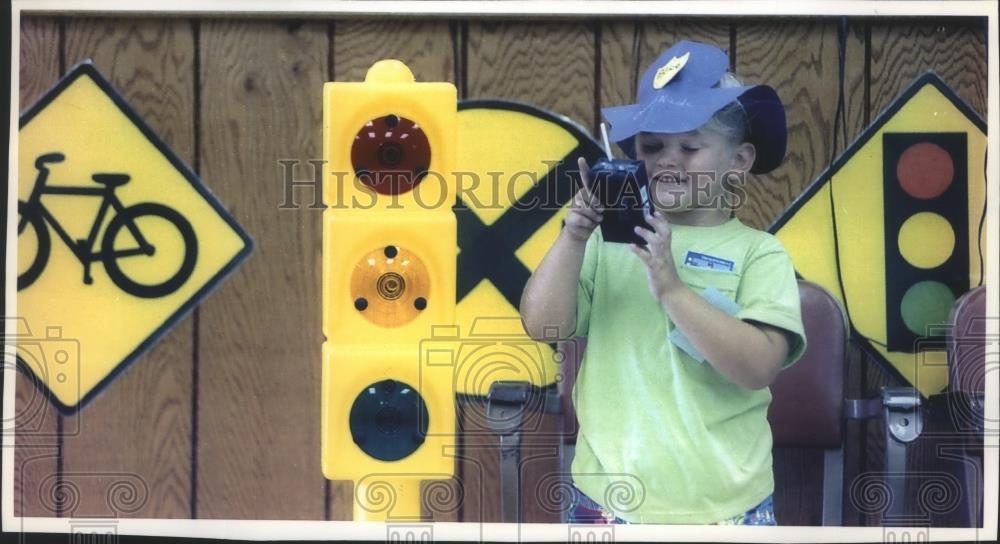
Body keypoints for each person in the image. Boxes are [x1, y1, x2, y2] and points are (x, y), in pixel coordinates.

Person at [519, 40, 806, 525]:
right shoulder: (606, 243)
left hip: (727, 510)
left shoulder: (760, 253)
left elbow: (758, 366)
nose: (668, 161)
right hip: (608, 504)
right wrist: (573, 235)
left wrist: (672, 287)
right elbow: (543, 326)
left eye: (690, 147)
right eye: (652, 147)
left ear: (738, 161)